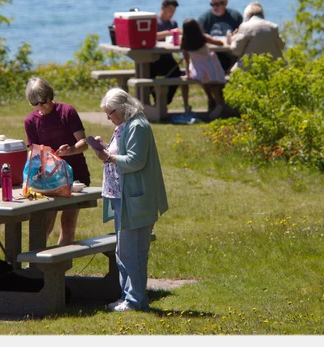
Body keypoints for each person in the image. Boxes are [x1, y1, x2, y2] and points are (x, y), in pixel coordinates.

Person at [88, 88, 168, 312]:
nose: (108, 117)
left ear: (123, 108)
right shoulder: (125, 124)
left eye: (110, 112)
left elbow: (135, 161)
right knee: (124, 251)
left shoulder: (138, 126)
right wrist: (105, 149)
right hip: (122, 196)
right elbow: (121, 153)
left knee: (131, 251)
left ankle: (134, 300)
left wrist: (109, 157)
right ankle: (129, 298)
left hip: (134, 198)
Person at [23, 77, 91, 246]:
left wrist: (71, 150)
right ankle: (36, 266)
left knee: (68, 224)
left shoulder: (67, 112)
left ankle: (61, 265)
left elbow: (84, 143)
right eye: (35, 104)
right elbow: (35, 153)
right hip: (48, 179)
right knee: (45, 224)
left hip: (74, 176)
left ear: (50, 95)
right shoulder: (30, 121)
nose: (40, 107)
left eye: (43, 102)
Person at [180, 18, 227, 120]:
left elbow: (186, 60)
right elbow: (220, 43)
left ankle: (189, 105)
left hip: (198, 70)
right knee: (213, 82)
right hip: (211, 68)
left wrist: (187, 74)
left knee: (185, 81)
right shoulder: (203, 38)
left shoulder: (184, 42)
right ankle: (218, 103)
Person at [150, 0, 190, 112]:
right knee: (148, 76)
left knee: (177, 74)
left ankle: (165, 100)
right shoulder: (155, 22)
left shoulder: (173, 23)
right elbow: (152, 36)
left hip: (167, 58)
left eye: (173, 11)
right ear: (163, 8)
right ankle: (155, 101)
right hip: (153, 58)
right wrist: (169, 33)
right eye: (169, 10)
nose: (171, 14)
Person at [197, 0, 243, 74]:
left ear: (225, 3)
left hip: (230, 52)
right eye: (213, 4)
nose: (215, 7)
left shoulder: (235, 17)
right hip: (211, 53)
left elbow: (244, 34)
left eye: (218, 4)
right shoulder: (205, 18)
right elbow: (197, 35)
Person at [230, 1, 285, 71]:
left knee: (231, 71)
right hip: (271, 68)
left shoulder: (244, 27)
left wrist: (233, 39)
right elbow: (282, 46)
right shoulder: (273, 27)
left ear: (247, 15)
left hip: (248, 68)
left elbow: (236, 50)